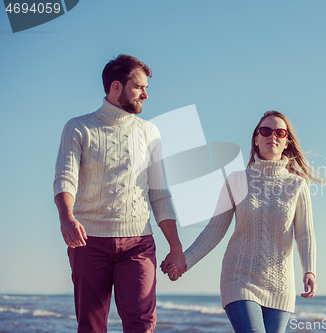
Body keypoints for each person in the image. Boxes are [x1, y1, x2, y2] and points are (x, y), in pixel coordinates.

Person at [54, 54, 186, 333]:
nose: (145, 95)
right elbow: (65, 179)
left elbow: (160, 194)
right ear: (117, 86)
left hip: (138, 242)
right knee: (91, 326)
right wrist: (66, 217)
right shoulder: (79, 127)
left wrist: (176, 247)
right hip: (88, 243)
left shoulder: (150, 132)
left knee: (141, 324)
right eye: (139, 87)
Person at [162, 111, 319, 333]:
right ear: (256, 139)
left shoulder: (297, 185)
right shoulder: (237, 180)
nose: (272, 136)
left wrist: (309, 270)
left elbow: (305, 233)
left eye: (279, 132)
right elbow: (215, 229)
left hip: (280, 284)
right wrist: (185, 261)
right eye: (265, 131)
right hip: (239, 278)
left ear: (286, 142)